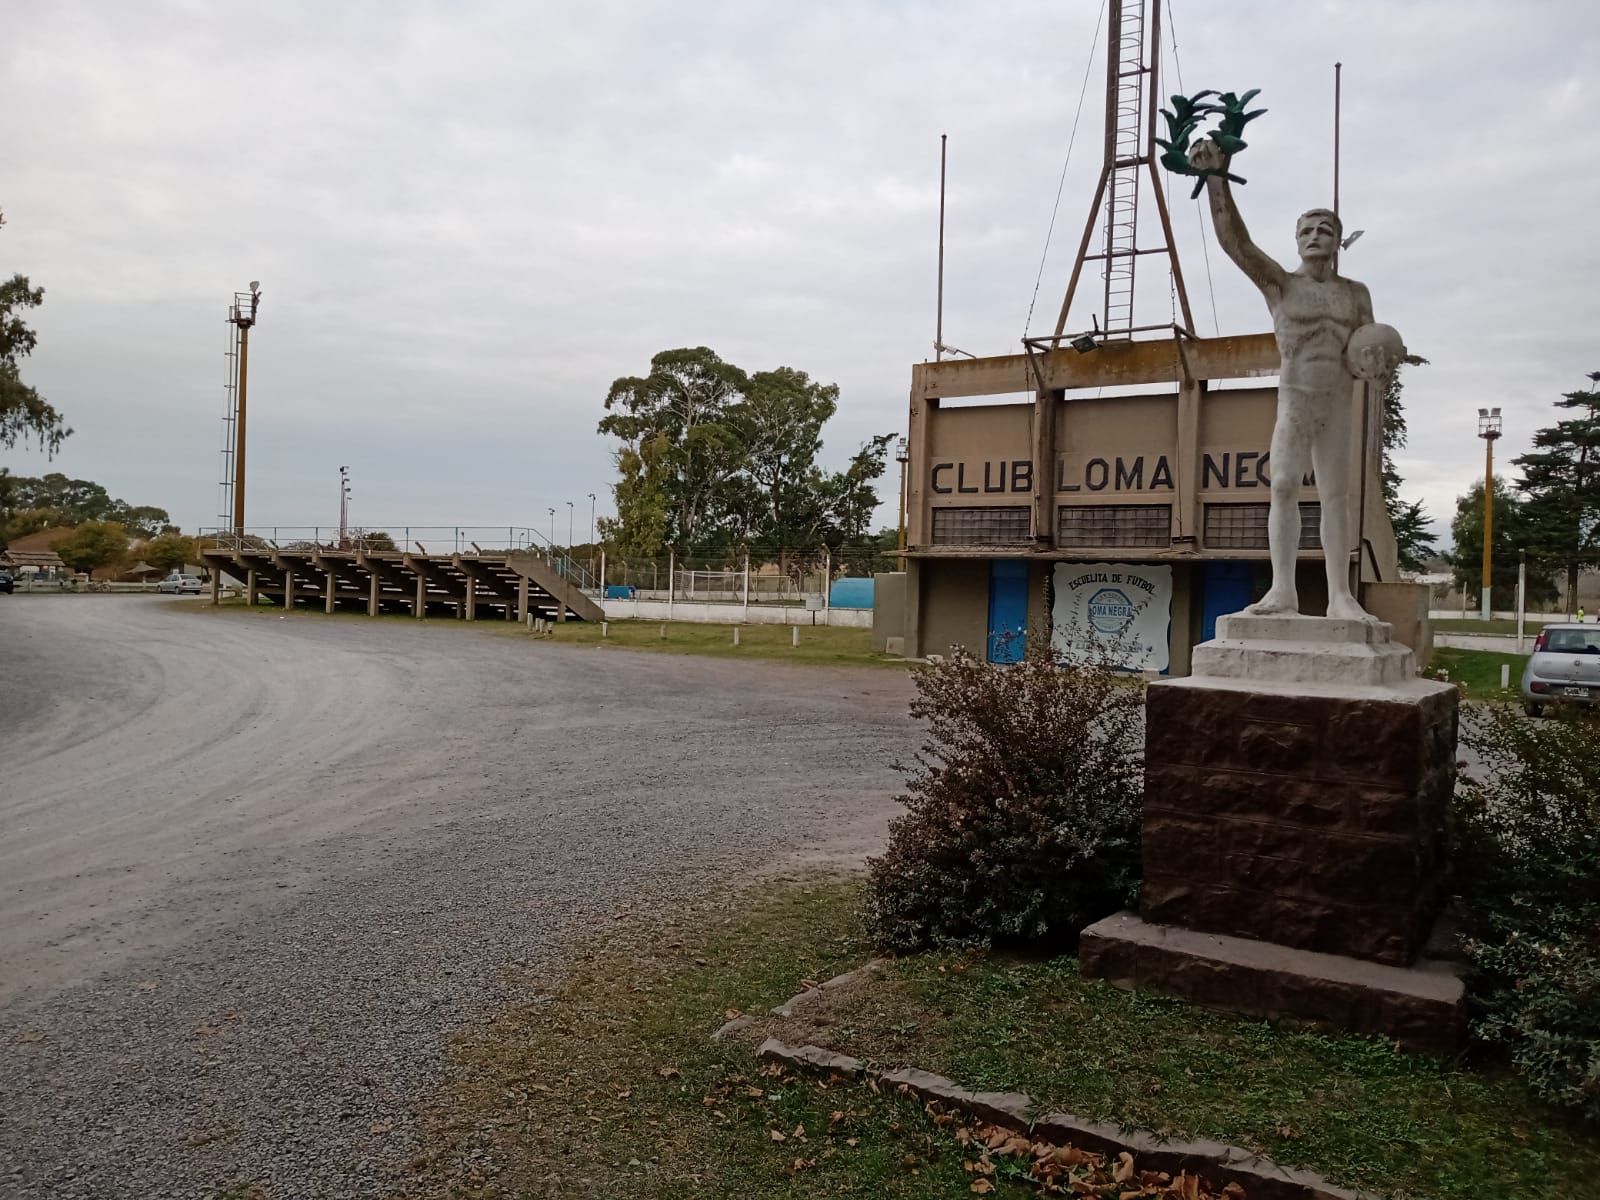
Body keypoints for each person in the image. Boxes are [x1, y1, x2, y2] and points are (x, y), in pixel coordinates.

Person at [1190, 139, 1402, 621]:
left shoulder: (1356, 294)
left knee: (1336, 497)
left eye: (1325, 230)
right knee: (1283, 486)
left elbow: (1366, 354)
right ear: (1296, 240)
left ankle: (1340, 596)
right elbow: (1236, 245)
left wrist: (1381, 370)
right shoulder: (1282, 285)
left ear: (1337, 241)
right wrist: (1216, 179)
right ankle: (1283, 589)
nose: (1315, 236)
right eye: (1306, 230)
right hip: (1296, 400)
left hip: (1337, 402)